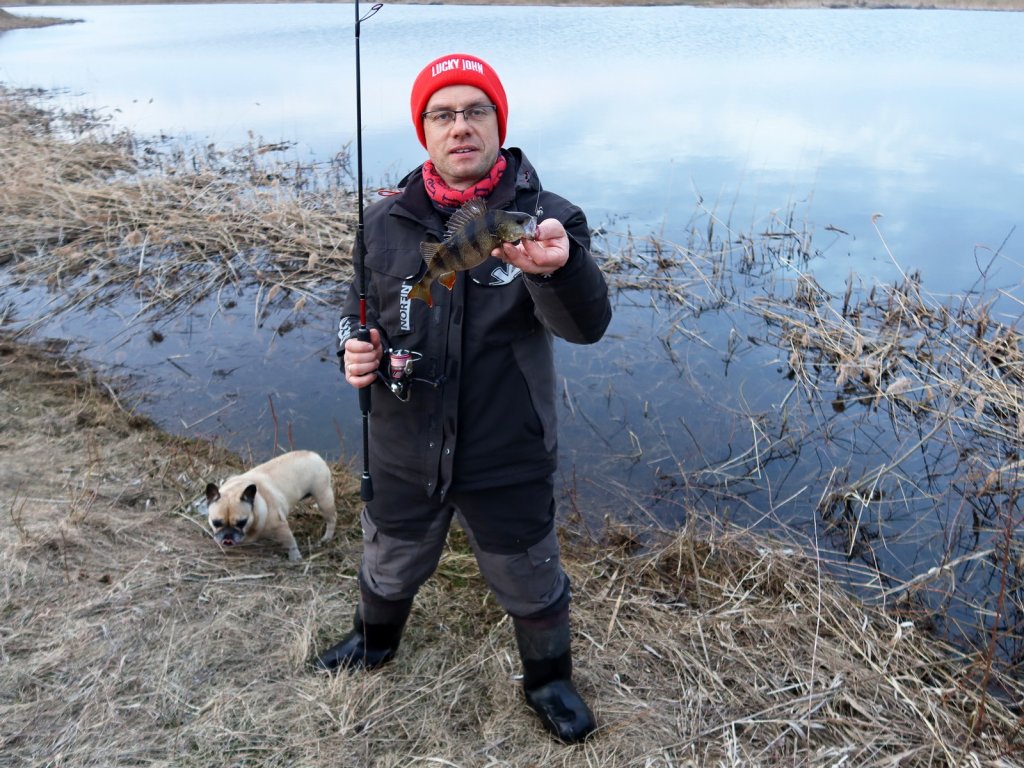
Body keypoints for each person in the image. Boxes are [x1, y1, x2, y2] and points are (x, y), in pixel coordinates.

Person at [314, 52, 612, 745]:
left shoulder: (549, 221)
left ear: (498, 125)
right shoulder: (383, 220)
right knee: (388, 559)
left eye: (475, 111)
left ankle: (548, 680)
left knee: (530, 576)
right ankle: (373, 644)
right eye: (442, 114)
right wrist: (352, 348)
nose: (460, 127)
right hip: (400, 440)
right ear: (424, 131)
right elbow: (355, 312)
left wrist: (558, 272)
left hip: (505, 447)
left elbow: (586, 327)